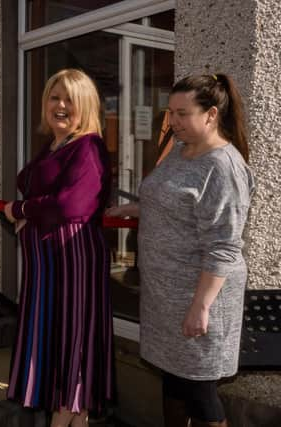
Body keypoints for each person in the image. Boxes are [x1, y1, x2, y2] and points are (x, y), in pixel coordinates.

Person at [107, 73, 254, 427]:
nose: (173, 122)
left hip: (198, 296)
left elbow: (223, 246)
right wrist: (137, 209)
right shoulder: (181, 148)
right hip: (165, 295)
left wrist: (200, 307)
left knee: (200, 392)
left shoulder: (223, 167)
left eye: (183, 113)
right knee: (173, 380)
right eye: (170, 112)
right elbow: (177, 203)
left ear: (212, 114)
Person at [4, 69, 115, 427]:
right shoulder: (54, 145)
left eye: (69, 99)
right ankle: (74, 417)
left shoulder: (89, 146)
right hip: (48, 265)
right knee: (56, 339)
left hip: (73, 260)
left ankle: (64, 415)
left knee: (73, 339)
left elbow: (70, 206)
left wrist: (21, 210)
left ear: (86, 106)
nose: (61, 105)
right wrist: (31, 215)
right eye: (54, 97)